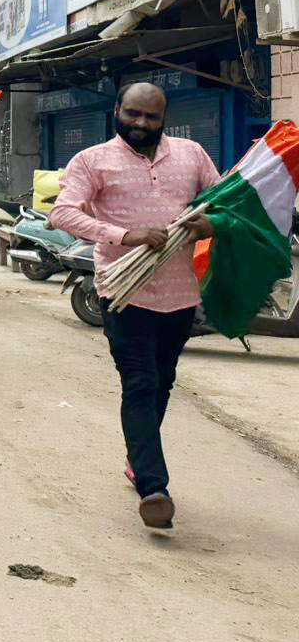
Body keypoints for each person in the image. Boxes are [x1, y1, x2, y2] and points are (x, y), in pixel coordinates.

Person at [48, 82, 216, 531]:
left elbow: (222, 203)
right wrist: (126, 235)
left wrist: (209, 223)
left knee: (162, 381)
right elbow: (61, 215)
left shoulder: (192, 154)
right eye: (133, 114)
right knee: (139, 384)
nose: (141, 124)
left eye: (151, 117)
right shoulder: (92, 160)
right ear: (116, 110)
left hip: (181, 296)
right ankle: (153, 487)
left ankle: (136, 457)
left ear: (164, 118)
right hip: (123, 293)